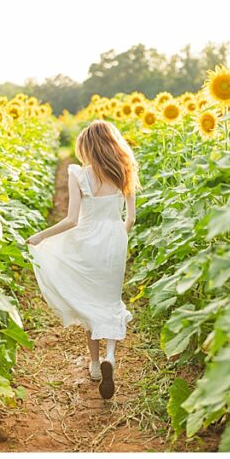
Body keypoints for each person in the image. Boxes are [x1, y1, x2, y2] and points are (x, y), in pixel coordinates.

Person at [26, 120, 139, 400]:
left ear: (86, 147)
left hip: (87, 239)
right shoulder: (124, 171)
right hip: (114, 238)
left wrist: (41, 236)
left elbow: (71, 219)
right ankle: (110, 357)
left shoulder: (78, 174)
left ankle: (94, 365)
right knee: (110, 299)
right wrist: (116, 237)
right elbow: (131, 218)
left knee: (89, 298)